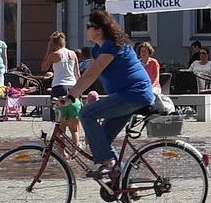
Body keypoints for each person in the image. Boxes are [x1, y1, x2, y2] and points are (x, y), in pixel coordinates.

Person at [73, 10, 156, 182]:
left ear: (99, 30)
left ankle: (109, 164)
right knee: (103, 141)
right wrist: (72, 93)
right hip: (125, 95)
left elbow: (92, 76)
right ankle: (128, 186)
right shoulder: (98, 50)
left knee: (86, 113)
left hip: (134, 93)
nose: (86, 30)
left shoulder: (113, 46)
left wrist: (70, 96)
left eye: (89, 26)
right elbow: (86, 75)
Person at [42, 32, 79, 99]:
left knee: (58, 109)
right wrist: (80, 90)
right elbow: (77, 74)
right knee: (73, 108)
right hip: (73, 85)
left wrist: (48, 51)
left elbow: (44, 68)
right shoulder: (73, 53)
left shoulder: (54, 55)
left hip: (59, 85)